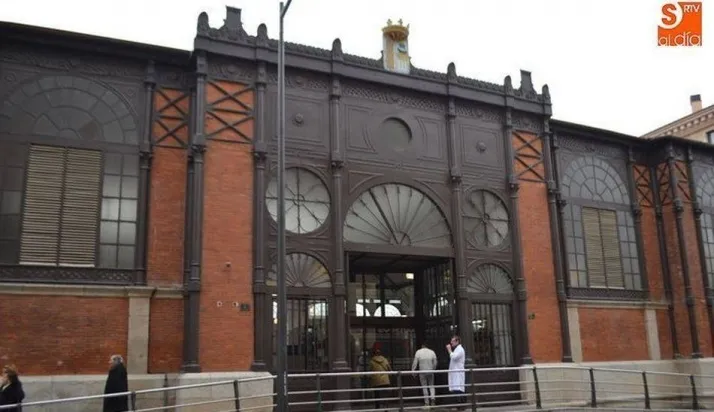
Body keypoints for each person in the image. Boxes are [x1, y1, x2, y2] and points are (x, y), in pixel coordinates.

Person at [411, 343, 438, 407]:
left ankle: (427, 403)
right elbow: (435, 363)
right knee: (431, 386)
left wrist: (413, 371)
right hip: (430, 371)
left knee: (424, 387)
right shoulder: (432, 352)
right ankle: (433, 400)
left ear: (422, 346)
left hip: (422, 372)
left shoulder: (418, 352)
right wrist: (433, 369)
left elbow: (415, 363)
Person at [368, 345, 391, 411]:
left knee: (377, 394)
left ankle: (377, 407)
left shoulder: (371, 361)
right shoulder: (385, 360)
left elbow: (370, 370)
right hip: (385, 380)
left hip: (376, 380)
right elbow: (389, 368)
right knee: (385, 395)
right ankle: (386, 408)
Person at [446, 335, 466, 408]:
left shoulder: (460, 349)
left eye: (453, 341)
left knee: (458, 389)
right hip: (455, 372)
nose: (451, 342)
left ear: (457, 341)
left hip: (458, 372)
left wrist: (449, 350)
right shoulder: (457, 349)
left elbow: (454, 357)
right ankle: (459, 405)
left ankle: (461, 406)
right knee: (456, 388)